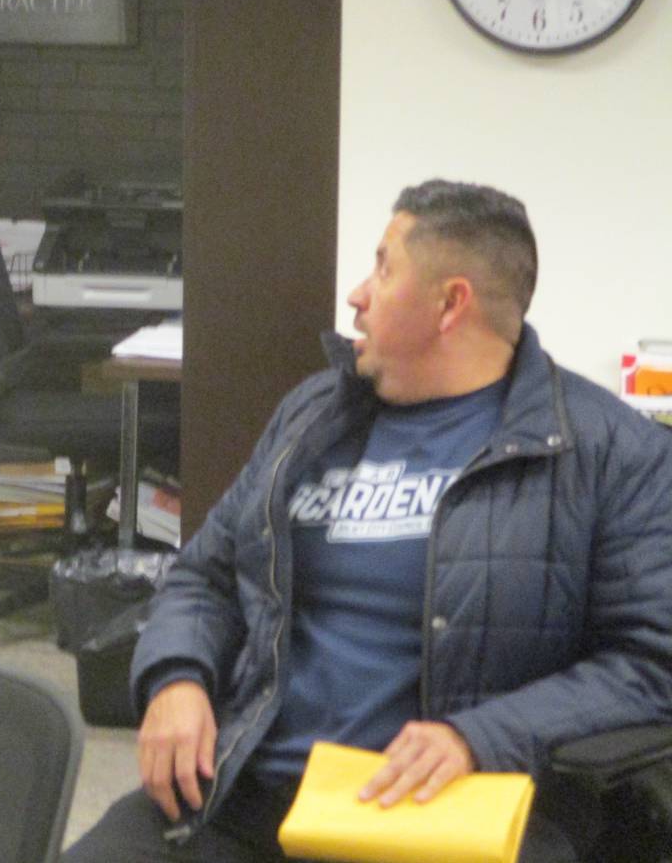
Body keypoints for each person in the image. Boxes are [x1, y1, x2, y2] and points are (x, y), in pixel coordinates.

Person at [64, 180, 672, 862]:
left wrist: (481, 737)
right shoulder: (314, 414)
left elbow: (653, 663)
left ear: (450, 304)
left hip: (434, 818)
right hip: (240, 790)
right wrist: (176, 676)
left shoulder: (612, 453)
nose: (357, 295)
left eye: (383, 269)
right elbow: (204, 574)